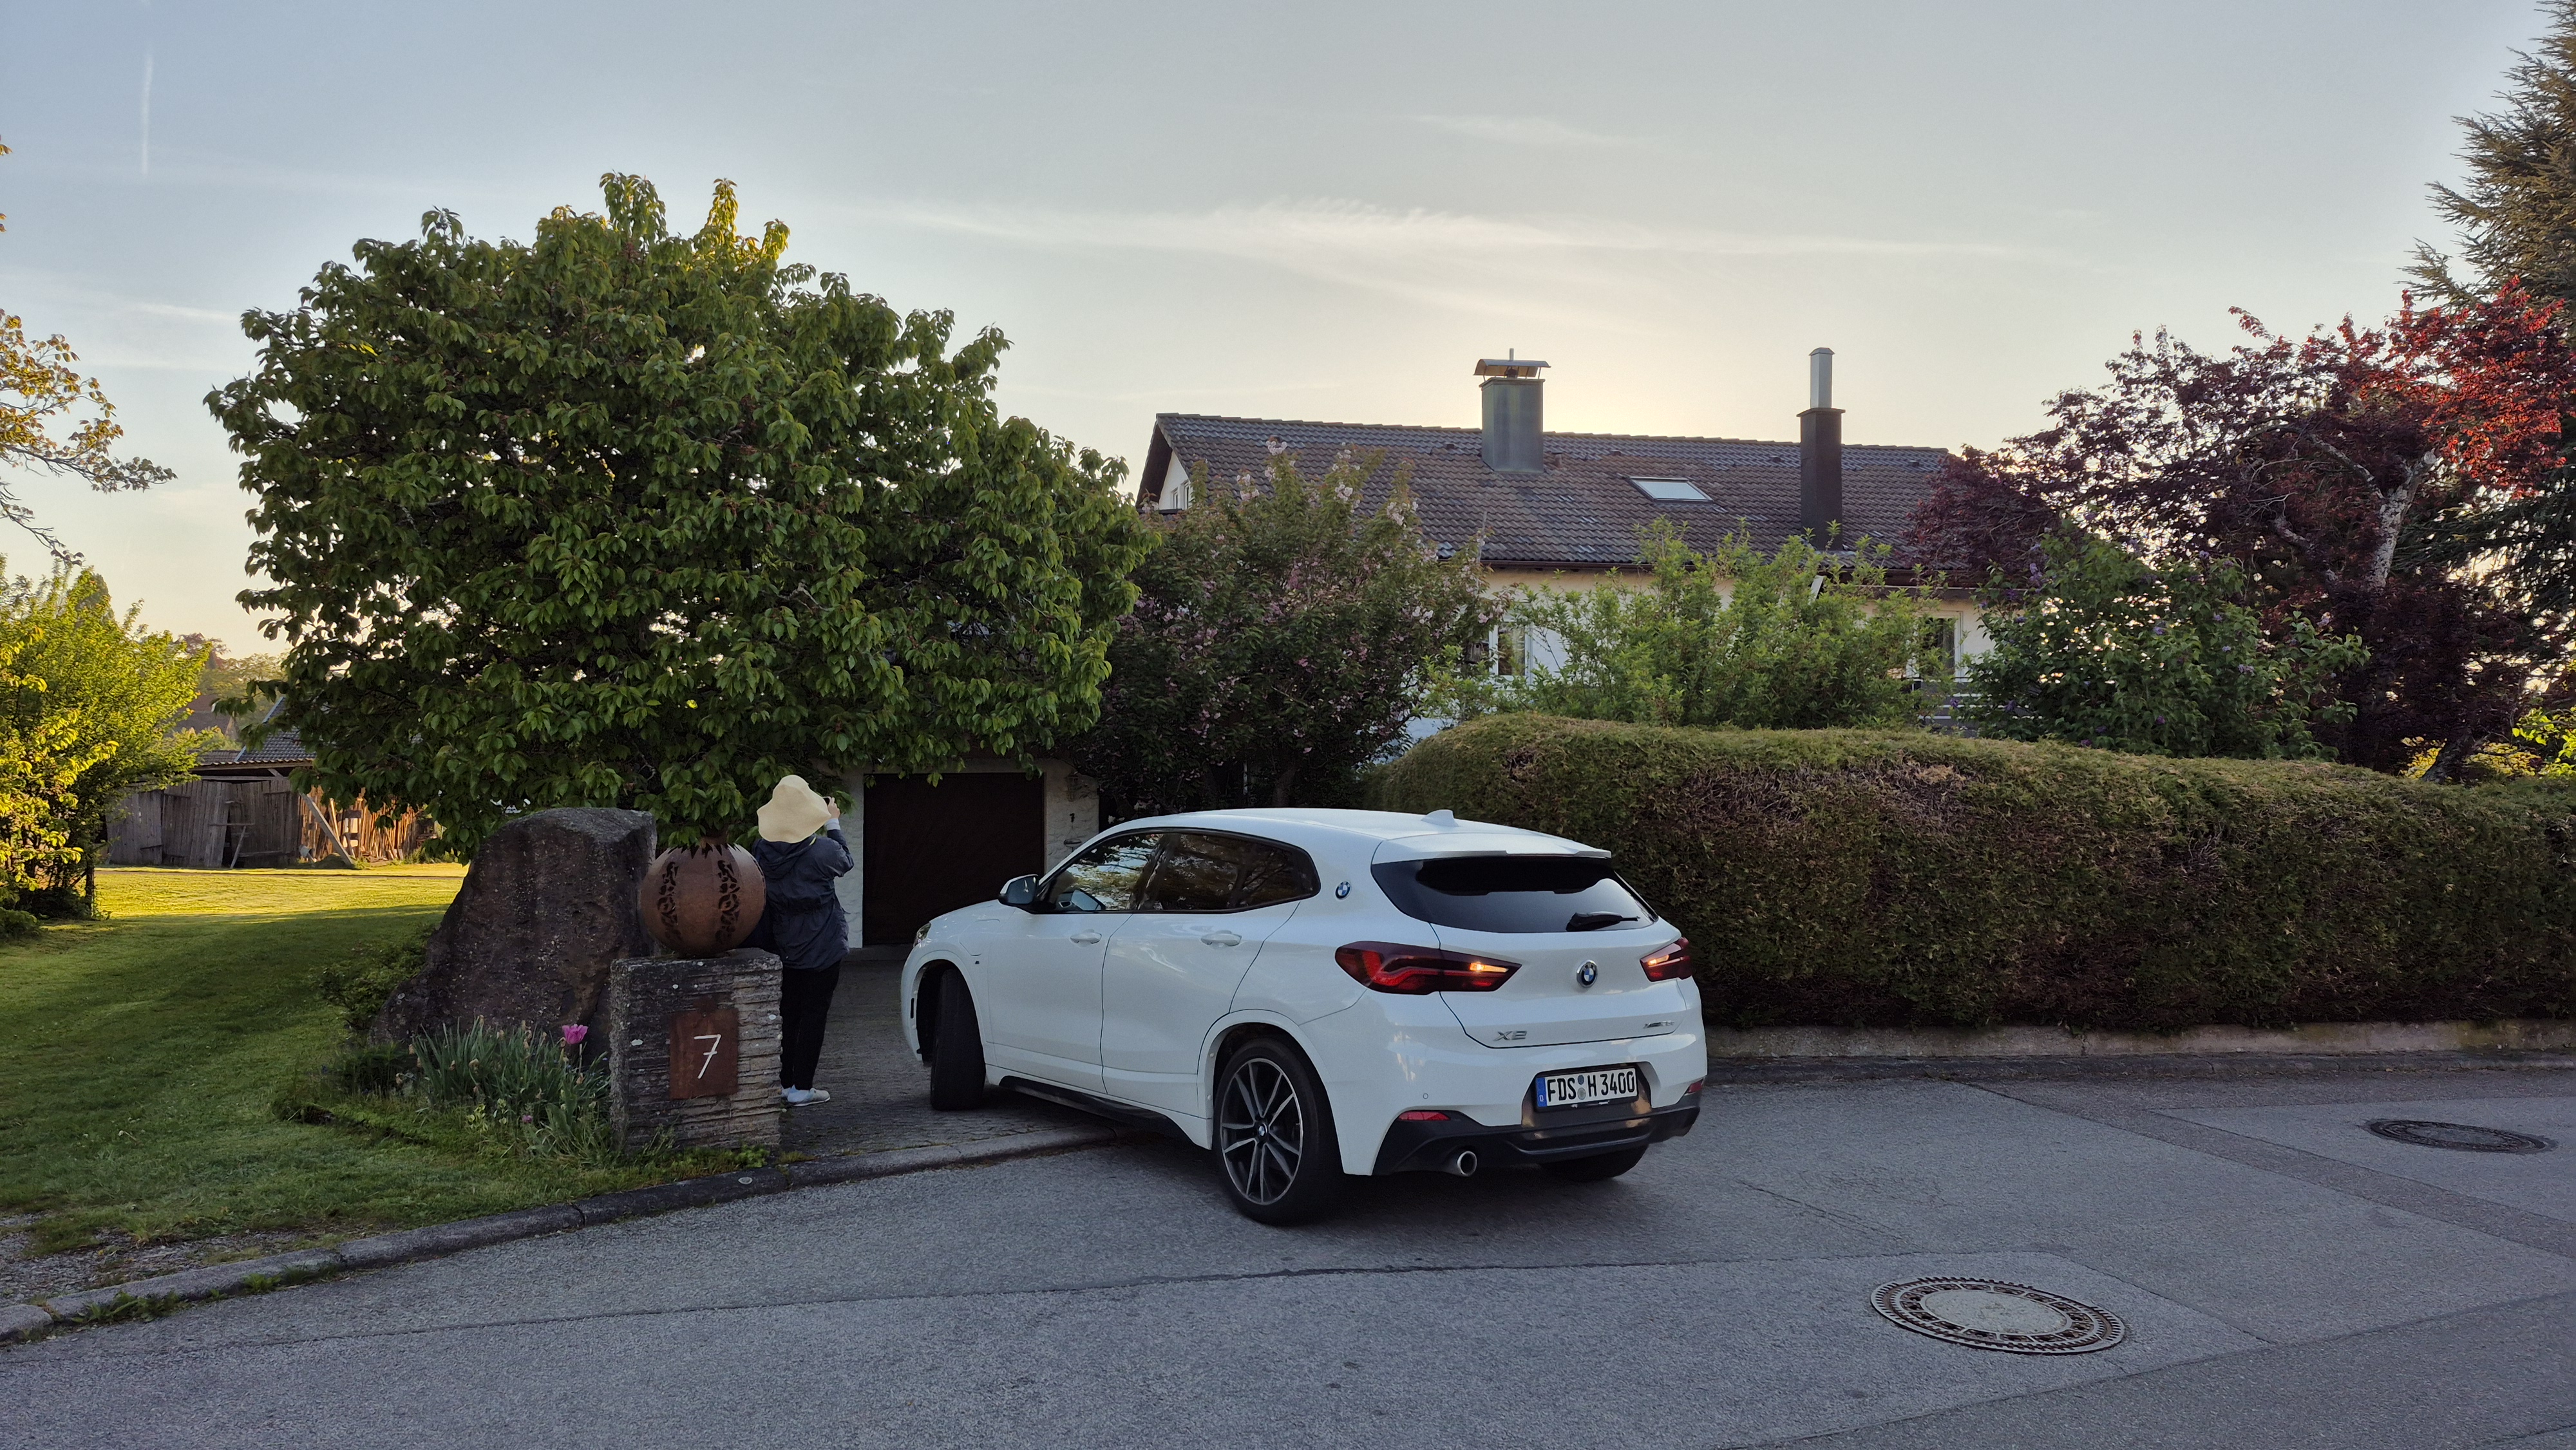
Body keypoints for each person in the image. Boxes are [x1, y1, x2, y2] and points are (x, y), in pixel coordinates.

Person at [748, 775, 853, 1107]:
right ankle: (802, 1089)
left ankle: (784, 1083)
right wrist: (833, 822)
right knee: (814, 1015)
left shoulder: (761, 851)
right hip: (824, 945)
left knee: (788, 1014)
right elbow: (847, 860)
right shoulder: (822, 851)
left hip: (784, 944)